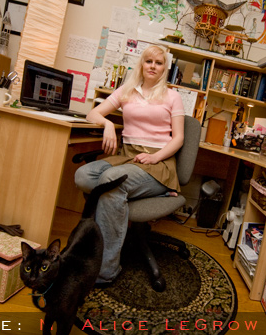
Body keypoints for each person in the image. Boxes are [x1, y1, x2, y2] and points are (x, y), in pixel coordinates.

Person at [74, 45, 185, 284]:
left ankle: (105, 271)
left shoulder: (172, 96)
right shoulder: (127, 90)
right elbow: (92, 114)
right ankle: (122, 203)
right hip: (128, 156)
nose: (153, 66)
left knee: (111, 182)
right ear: (141, 64)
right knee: (83, 176)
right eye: (149, 61)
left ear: (165, 68)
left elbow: (178, 138)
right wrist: (107, 125)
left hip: (158, 162)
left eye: (158, 63)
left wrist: (155, 157)